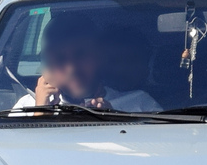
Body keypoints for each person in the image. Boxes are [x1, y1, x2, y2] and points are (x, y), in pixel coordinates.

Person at [14, 13, 160, 113]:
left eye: (81, 55)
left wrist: (116, 121)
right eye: (60, 59)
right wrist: (40, 113)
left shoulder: (140, 105)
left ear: (99, 57)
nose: (72, 68)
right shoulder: (27, 107)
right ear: (47, 66)